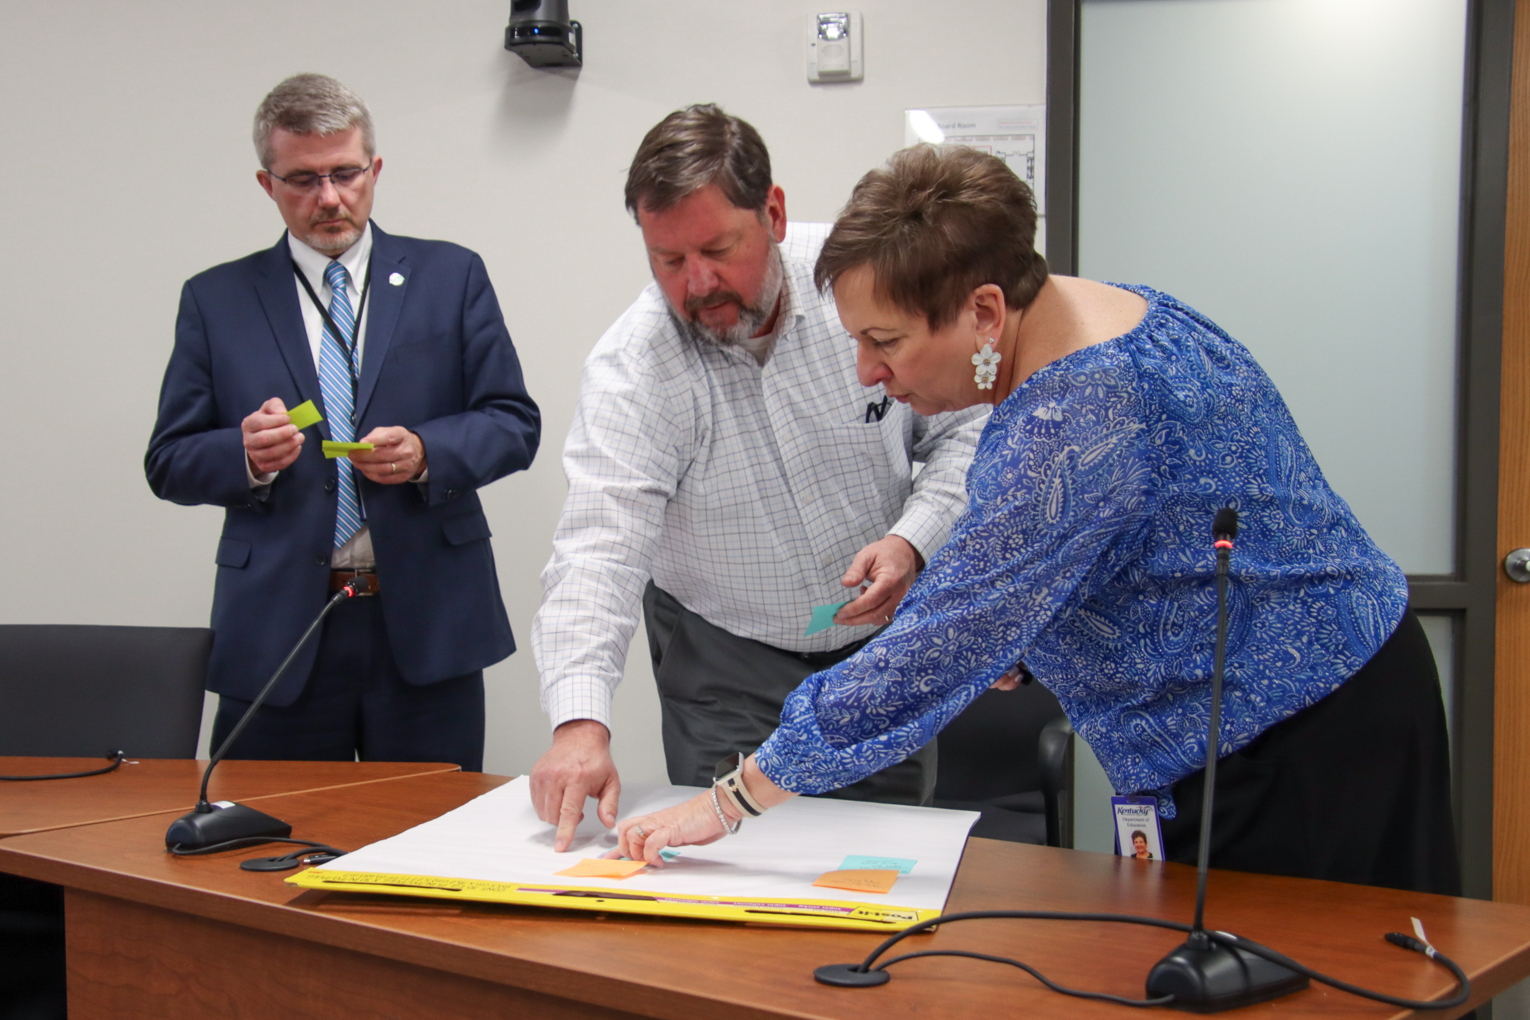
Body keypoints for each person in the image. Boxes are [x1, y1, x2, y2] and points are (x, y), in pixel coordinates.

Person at [611, 144, 1460, 897]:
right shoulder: (1116, 308)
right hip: (1352, 684)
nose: (867, 373)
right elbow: (1152, 540)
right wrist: (1037, 638)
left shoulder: (1070, 419)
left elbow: (932, 652)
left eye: (886, 342)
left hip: (1293, 738)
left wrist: (731, 799)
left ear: (984, 312)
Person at [530, 106, 987, 849]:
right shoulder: (633, 368)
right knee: (738, 865)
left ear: (772, 212)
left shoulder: (863, 289)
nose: (698, 283)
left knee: (882, 855)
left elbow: (967, 429)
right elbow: (597, 549)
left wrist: (912, 540)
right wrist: (580, 724)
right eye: (668, 261)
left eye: (718, 247)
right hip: (725, 655)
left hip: (874, 643)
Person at [145, 74, 540, 772]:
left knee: (425, 849)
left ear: (375, 170)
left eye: (345, 174)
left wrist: (426, 451)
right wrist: (243, 455)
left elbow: (513, 423)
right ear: (267, 184)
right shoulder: (215, 299)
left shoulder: (451, 277)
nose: (328, 198)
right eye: (302, 179)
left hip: (425, 622)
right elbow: (169, 460)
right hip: (278, 628)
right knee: (260, 850)